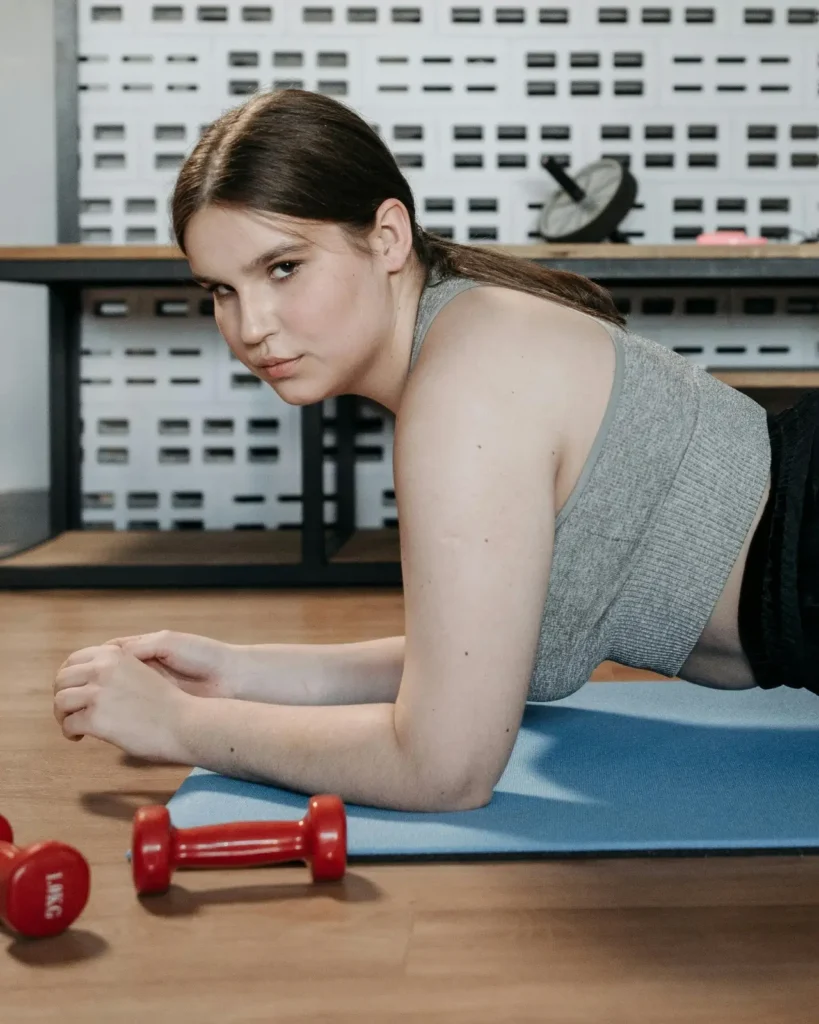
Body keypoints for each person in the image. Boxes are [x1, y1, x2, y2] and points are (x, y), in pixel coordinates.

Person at [52, 89, 818, 813]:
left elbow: (442, 766)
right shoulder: (463, 336)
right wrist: (238, 672)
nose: (251, 325)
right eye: (219, 290)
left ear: (386, 236)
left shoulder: (465, 388)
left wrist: (178, 729)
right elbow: (472, 661)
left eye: (283, 268)